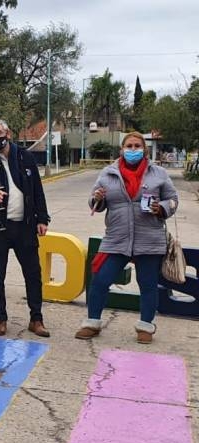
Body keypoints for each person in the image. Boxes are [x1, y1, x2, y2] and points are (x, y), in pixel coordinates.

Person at [76, 132, 179, 344]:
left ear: (145, 149)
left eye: (137, 146)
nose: (133, 150)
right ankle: (92, 322)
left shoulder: (158, 173)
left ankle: (145, 328)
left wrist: (162, 208)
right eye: (129, 146)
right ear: (122, 150)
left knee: (148, 284)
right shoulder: (108, 173)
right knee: (100, 280)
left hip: (149, 238)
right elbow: (95, 201)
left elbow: (173, 199)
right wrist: (96, 199)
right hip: (116, 238)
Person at [0, 118, 50, 337]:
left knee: (33, 274)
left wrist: (42, 218)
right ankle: (1, 319)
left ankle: (36, 319)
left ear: (7, 133)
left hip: (24, 226)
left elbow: (37, 190)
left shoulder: (24, 156)